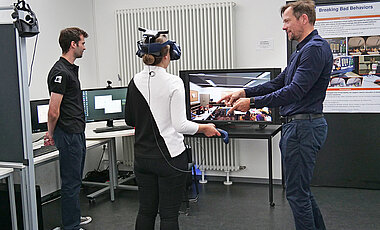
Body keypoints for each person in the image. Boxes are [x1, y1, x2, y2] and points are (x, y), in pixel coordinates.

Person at [218, 1, 333, 229]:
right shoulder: (302, 49)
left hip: (303, 129)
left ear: (303, 19)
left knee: (297, 195)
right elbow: (279, 82)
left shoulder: (315, 49)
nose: (283, 27)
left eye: (287, 21)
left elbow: (294, 91)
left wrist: (251, 103)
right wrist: (244, 91)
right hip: (298, 128)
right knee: (301, 192)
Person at [125, 31, 220, 230]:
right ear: (167, 55)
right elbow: (180, 125)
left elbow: (129, 119)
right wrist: (205, 128)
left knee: (145, 211)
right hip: (169, 159)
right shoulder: (174, 82)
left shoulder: (134, 81)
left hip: (142, 158)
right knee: (168, 215)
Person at [45, 27, 92, 230]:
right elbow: (53, 110)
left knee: (75, 181)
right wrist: (50, 132)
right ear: (73, 44)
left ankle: (73, 218)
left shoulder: (69, 69)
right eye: (82, 43)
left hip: (76, 132)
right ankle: (70, 226)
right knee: (71, 183)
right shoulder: (60, 72)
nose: (84, 47)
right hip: (69, 134)